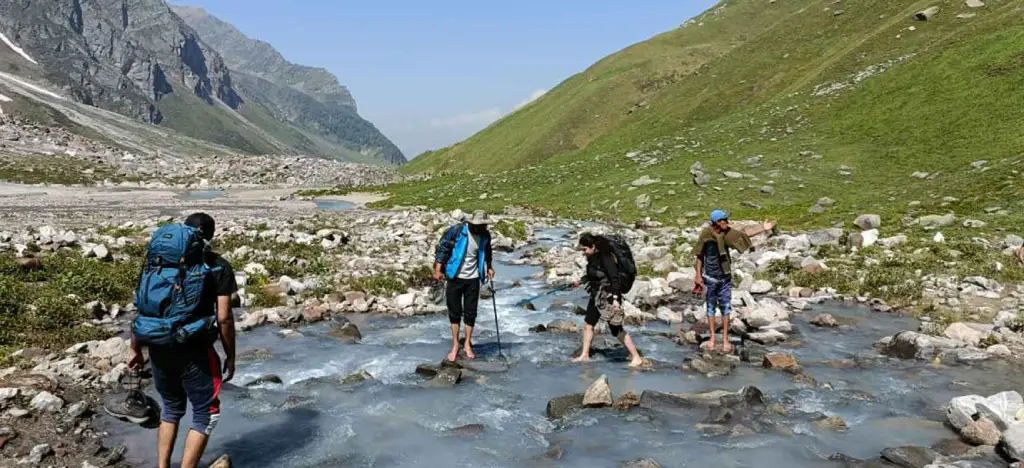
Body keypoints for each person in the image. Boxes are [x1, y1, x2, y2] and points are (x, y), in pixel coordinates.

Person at [118, 213, 237, 468]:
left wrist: (135, 349)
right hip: (195, 349)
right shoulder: (218, 266)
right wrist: (231, 355)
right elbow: (224, 317)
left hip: (158, 346)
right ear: (211, 235)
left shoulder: (156, 265)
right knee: (207, 414)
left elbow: (142, 309)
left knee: (171, 409)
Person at [693, 210, 775, 353]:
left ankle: (725, 339)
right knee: (711, 307)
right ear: (717, 222)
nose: (728, 222)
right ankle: (712, 337)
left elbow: (743, 235)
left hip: (725, 276)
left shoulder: (728, 233)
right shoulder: (706, 234)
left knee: (725, 307)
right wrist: (698, 276)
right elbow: (700, 255)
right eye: (725, 219)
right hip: (710, 277)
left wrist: (763, 228)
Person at [572, 233, 644, 368]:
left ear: (593, 246)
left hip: (608, 296)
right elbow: (594, 275)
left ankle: (636, 357)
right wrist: (581, 280)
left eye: (584, 249)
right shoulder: (592, 258)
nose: (583, 253)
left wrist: (616, 299)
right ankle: (585, 355)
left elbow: (614, 279)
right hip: (596, 296)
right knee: (588, 324)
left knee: (616, 329)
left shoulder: (606, 258)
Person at [433, 210, 495, 361]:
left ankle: (467, 343)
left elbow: (487, 253)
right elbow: (443, 248)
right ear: (471, 222)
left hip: (473, 279)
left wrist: (489, 267)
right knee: (454, 312)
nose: (480, 228)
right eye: (478, 225)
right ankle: (455, 344)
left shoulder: (485, 236)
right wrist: (437, 269)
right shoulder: (457, 231)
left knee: (470, 313)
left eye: (483, 225)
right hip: (454, 276)